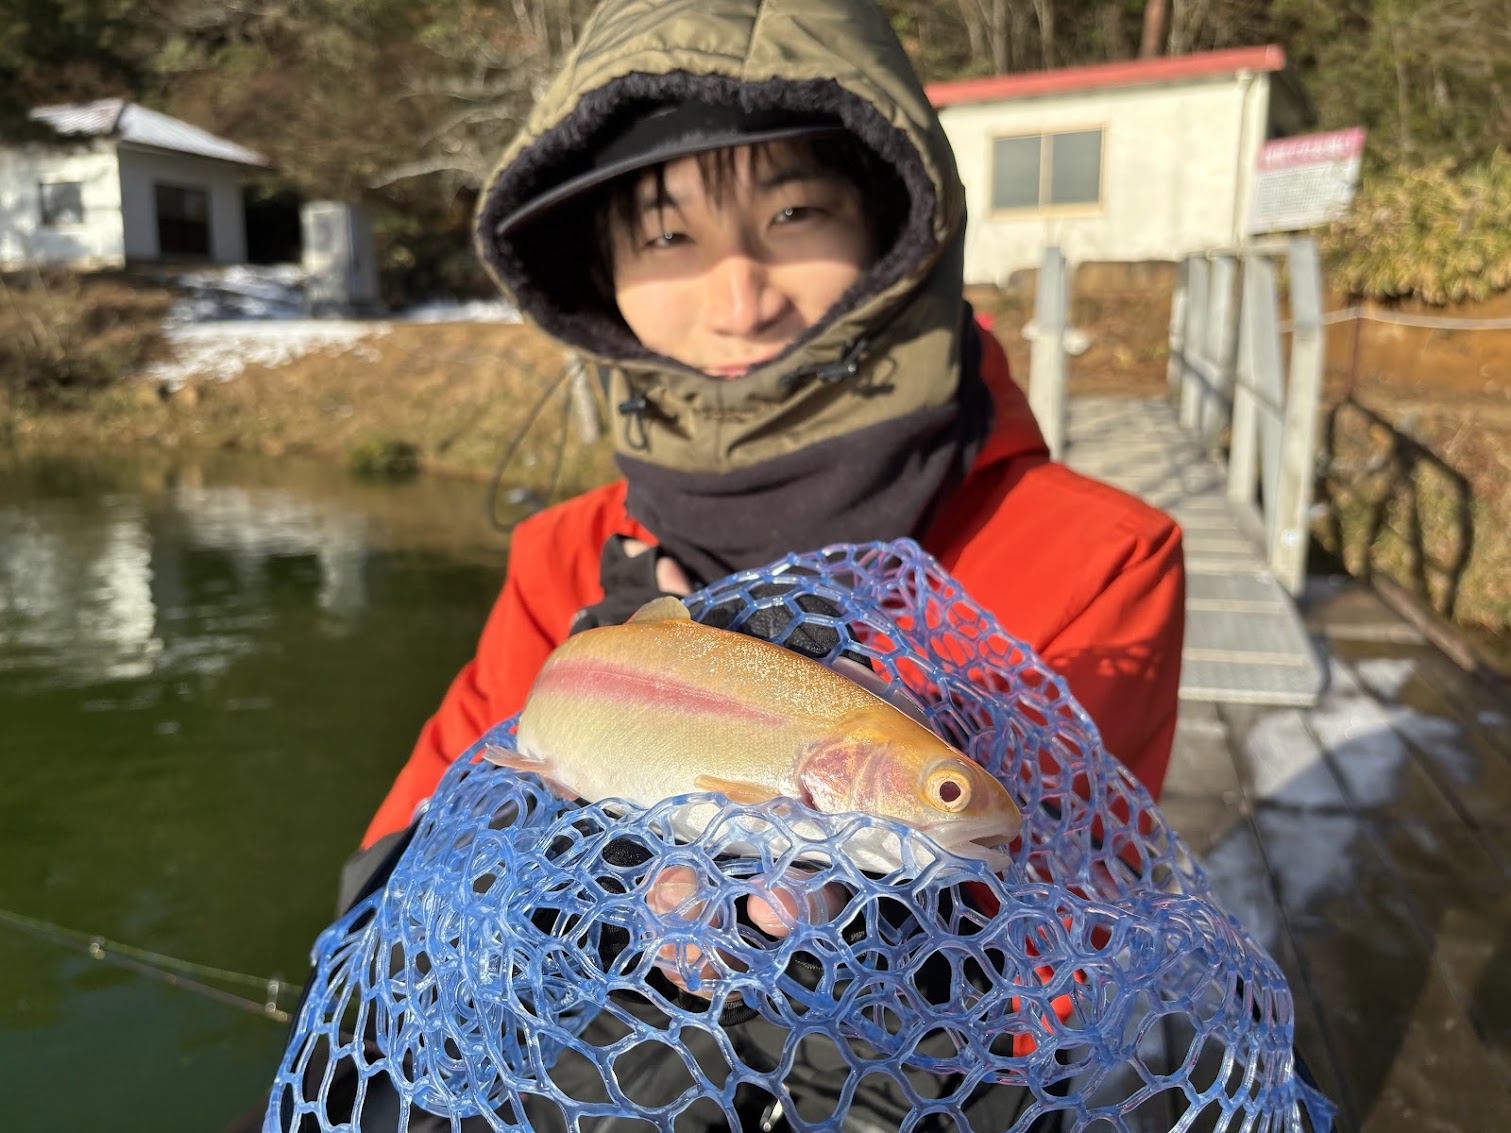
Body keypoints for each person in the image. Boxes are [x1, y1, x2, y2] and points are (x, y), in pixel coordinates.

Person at [320, 0, 1185, 1127]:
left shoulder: (1101, 559)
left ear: (895, 223)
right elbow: (383, 898)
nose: (740, 298)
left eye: (792, 212)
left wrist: (866, 941)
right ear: (599, 270)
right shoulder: (562, 556)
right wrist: (550, 890)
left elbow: (1051, 981)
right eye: (666, 236)